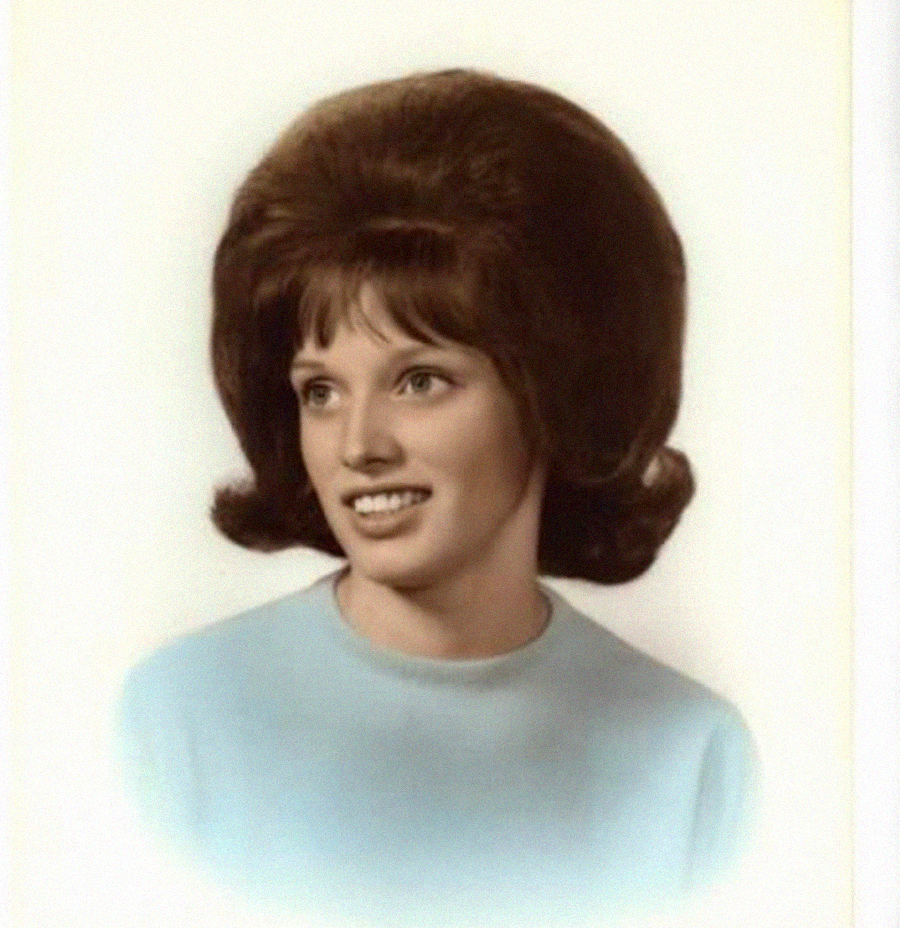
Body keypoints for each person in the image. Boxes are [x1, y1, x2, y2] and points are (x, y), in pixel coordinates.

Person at [118, 69, 757, 925]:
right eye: (321, 391)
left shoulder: (693, 758)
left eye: (419, 380)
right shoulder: (176, 719)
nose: (358, 448)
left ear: (555, 391)